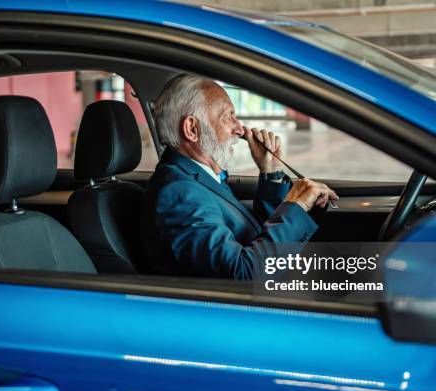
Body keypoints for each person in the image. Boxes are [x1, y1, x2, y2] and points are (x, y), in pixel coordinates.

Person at [141, 74, 338, 280]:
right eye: (228, 117)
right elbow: (242, 275)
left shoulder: (200, 177)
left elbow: (254, 236)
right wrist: (295, 206)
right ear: (192, 129)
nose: (240, 129)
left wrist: (271, 172)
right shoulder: (178, 193)